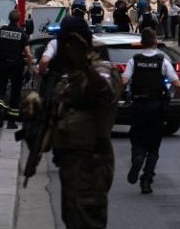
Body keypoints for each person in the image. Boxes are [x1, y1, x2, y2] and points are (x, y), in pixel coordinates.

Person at [49, 16, 122, 228]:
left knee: (89, 222)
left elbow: (105, 94)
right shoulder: (69, 77)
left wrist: (86, 65)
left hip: (91, 164)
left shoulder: (99, 71)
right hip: (70, 165)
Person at [121, 28, 180, 194]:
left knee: (136, 138)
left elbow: (123, 81)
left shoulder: (134, 61)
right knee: (153, 147)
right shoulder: (162, 61)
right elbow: (178, 85)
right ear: (155, 43)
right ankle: (146, 180)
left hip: (138, 106)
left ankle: (137, 156)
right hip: (156, 108)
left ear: (141, 44)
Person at [0, 9, 33, 129]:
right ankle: (11, 122)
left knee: (0, 90)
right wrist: (29, 68)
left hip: (1, 64)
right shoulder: (22, 34)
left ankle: (0, 107)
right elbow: (29, 54)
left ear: (9, 18)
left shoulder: (1, 31)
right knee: (15, 93)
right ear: (18, 19)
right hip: (16, 66)